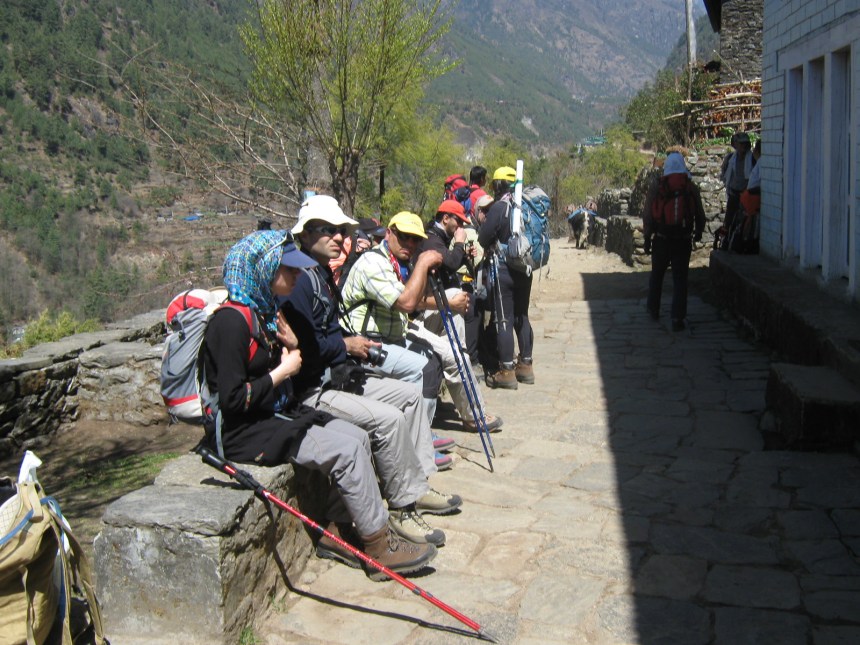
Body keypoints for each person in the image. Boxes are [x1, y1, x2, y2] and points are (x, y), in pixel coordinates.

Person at [201, 229, 435, 578]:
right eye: (289, 269)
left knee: (357, 436)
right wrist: (285, 369)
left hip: (273, 414)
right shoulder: (230, 323)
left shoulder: (263, 312)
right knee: (348, 449)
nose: (297, 275)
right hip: (243, 431)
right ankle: (378, 544)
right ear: (262, 270)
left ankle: (343, 528)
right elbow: (234, 400)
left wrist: (293, 349)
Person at [282, 196, 462, 546]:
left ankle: (418, 483)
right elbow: (309, 349)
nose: (338, 237)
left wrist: (344, 343)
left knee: (410, 395)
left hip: (339, 370)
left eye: (341, 231)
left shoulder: (318, 273)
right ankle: (402, 507)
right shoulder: (301, 281)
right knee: (391, 416)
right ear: (304, 235)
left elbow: (322, 336)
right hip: (318, 387)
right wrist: (346, 345)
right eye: (327, 230)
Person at [339, 212, 452, 461]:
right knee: (424, 369)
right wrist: (422, 264)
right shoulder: (373, 262)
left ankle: (421, 433)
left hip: (389, 336)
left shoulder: (394, 261)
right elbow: (408, 302)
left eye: (415, 240)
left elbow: (414, 299)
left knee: (433, 359)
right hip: (365, 342)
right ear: (389, 233)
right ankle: (418, 446)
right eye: (404, 237)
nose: (410, 244)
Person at [412, 200, 503, 432]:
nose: (460, 226)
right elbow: (450, 262)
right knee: (454, 301)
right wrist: (460, 245)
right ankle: (473, 413)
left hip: (423, 312)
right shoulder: (432, 240)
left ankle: (460, 354)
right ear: (445, 218)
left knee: (455, 299)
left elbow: (449, 264)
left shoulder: (437, 238)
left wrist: (463, 255)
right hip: (415, 317)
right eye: (458, 221)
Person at [477, 166, 535, 389]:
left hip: (503, 270)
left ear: (499, 185)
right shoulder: (525, 207)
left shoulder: (500, 207)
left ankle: (507, 371)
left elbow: (483, 239)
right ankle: (526, 365)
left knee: (504, 318)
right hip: (525, 269)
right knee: (522, 315)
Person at [643, 152, 706, 332]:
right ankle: (678, 317)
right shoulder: (689, 186)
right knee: (680, 279)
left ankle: (653, 309)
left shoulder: (658, 186)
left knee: (657, 275)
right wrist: (699, 232)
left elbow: (648, 213)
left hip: (662, 238)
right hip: (683, 239)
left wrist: (648, 237)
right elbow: (699, 213)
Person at [721, 132, 754, 235]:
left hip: (748, 194)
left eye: (745, 143)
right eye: (741, 143)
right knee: (729, 220)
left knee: (745, 221)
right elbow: (724, 174)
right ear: (735, 145)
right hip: (733, 193)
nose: (743, 146)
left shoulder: (753, 159)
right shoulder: (730, 158)